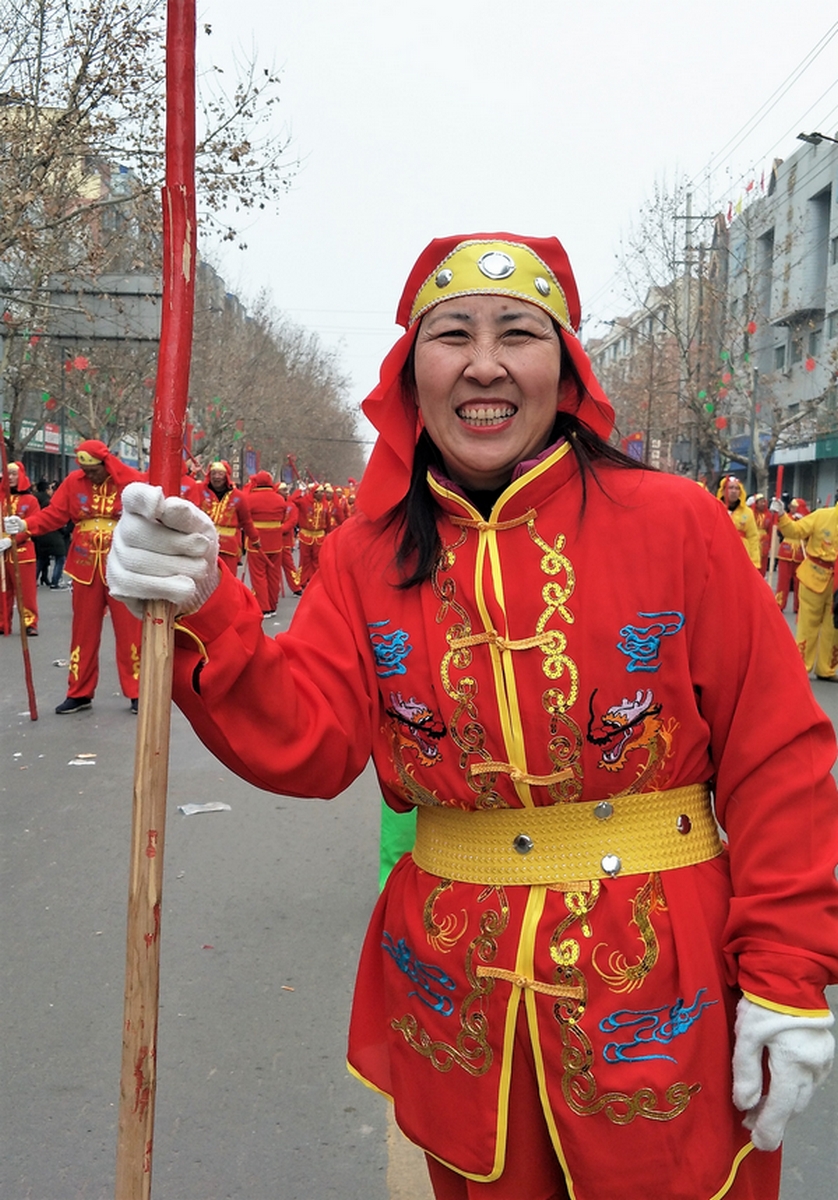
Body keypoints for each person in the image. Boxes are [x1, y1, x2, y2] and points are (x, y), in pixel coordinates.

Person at [106, 233, 837, 1200]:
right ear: (413, 372)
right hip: (456, 997)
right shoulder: (364, 557)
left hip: (665, 987)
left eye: (517, 334)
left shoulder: (679, 522)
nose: (484, 363)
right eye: (452, 334)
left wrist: (788, 973)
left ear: (564, 366)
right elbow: (309, 739)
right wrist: (203, 603)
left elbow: (777, 754)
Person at [4, 439, 142, 713]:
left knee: (130, 632)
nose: (88, 475)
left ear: (105, 464)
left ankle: (138, 690)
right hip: (83, 564)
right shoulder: (73, 482)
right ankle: (79, 691)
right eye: (84, 470)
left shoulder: (132, 482)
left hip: (123, 564)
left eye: (93, 470)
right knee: (83, 631)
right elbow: (54, 516)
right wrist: (23, 525)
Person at [771, 494, 838, 681]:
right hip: (814, 577)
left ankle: (827, 669)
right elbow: (795, 531)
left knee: (834, 629)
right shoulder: (822, 515)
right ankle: (801, 665)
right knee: (808, 625)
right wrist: (783, 514)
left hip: (837, 585)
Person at [192, 459, 261, 576]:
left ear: (226, 476)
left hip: (228, 547)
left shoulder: (239, 497)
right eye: (213, 473)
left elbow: (246, 521)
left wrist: (255, 539)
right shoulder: (199, 490)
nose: (217, 477)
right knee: (203, 578)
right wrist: (192, 472)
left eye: (220, 474)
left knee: (226, 578)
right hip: (204, 543)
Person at [244, 469, 297, 616]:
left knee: (259, 575)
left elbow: (245, 518)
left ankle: (264, 607)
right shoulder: (279, 499)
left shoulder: (250, 499)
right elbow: (282, 517)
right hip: (276, 542)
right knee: (274, 574)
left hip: (257, 542)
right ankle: (273, 605)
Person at [1, 461, 40, 635]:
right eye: (7, 474)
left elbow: (33, 525)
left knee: (26, 591)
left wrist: (11, 540)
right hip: (2, 552)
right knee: (3, 590)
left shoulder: (30, 500)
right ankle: (3, 622)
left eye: (14, 474)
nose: (10, 477)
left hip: (22, 552)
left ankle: (30, 623)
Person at [717, 475, 761, 568]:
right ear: (723, 490)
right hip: (719, 555)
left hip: (741, 556)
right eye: (730, 488)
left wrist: (754, 561)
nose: (734, 491)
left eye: (737, 488)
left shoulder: (747, 512)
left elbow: (753, 537)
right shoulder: (715, 508)